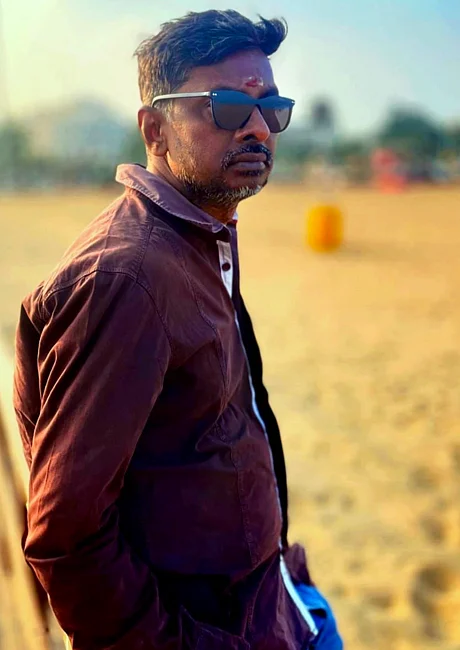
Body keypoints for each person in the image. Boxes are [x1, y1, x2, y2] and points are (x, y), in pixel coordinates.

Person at [13, 10, 343, 650]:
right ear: (154, 128)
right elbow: (67, 536)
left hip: (271, 601)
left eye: (272, 108)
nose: (257, 126)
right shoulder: (128, 279)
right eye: (227, 107)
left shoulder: (198, 232)